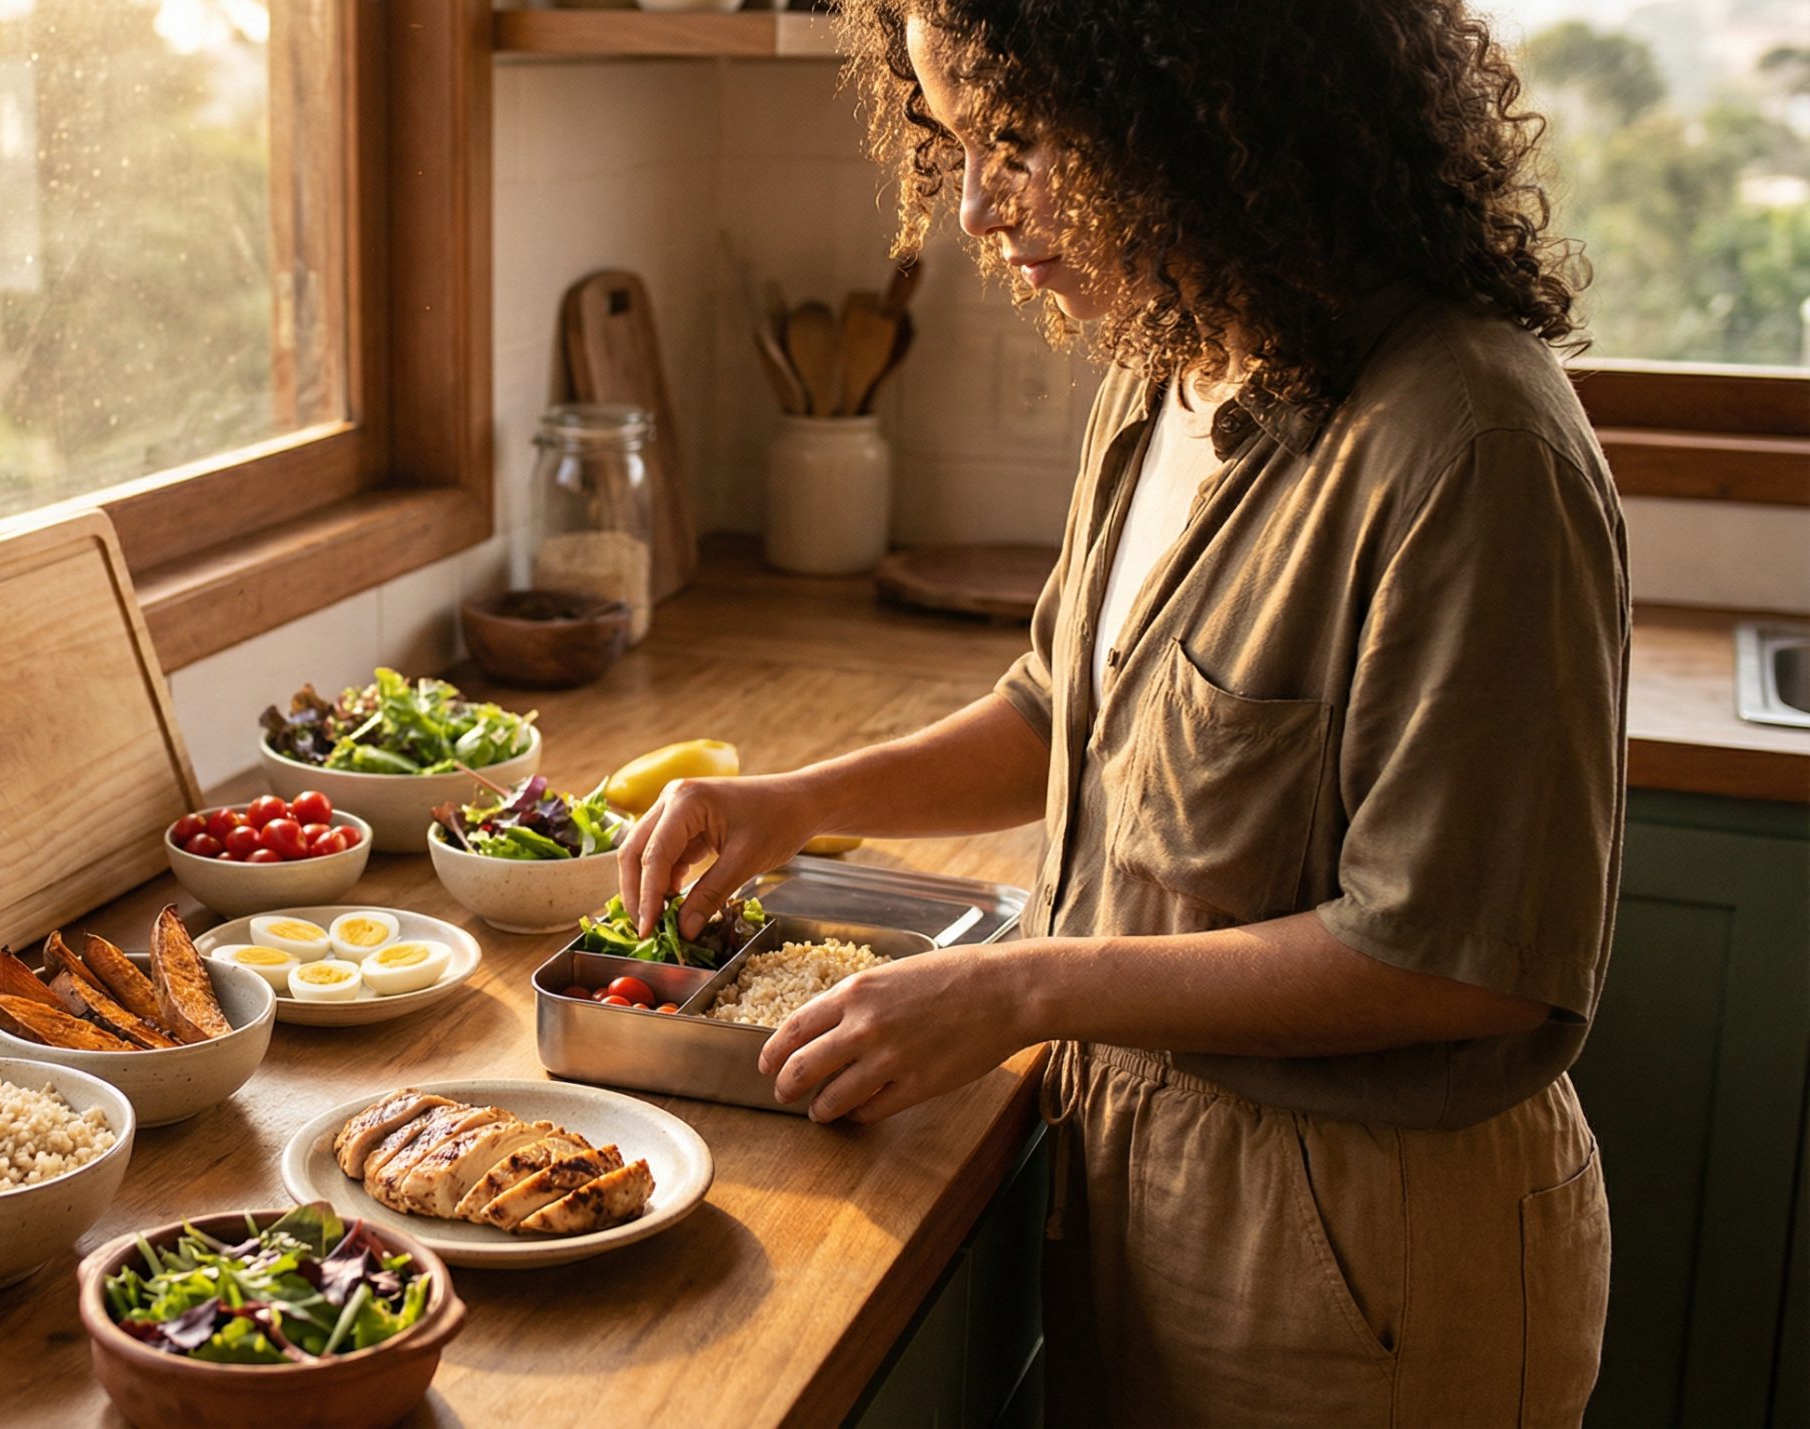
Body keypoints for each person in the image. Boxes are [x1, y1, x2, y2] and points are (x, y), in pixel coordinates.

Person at [619, 3, 1625, 1423]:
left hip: (1368, 1253)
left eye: (1018, 141)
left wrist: (1024, 982)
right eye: (955, 142)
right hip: (1140, 1178)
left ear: (1200, 100)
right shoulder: (1170, 366)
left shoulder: (1470, 443)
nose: (972, 206)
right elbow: (1062, 711)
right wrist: (798, 797)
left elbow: (1455, 961)